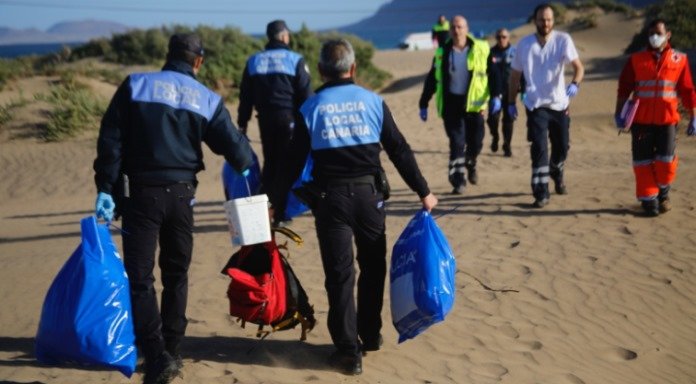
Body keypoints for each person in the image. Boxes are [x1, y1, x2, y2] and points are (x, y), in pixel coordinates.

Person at [93, 33, 253, 384]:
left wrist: (105, 186)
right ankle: (172, 348)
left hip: (141, 196)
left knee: (139, 278)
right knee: (176, 274)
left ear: (168, 56)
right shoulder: (206, 98)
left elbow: (111, 139)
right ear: (198, 61)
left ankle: (155, 353)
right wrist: (244, 162)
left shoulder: (136, 84)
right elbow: (232, 144)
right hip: (182, 198)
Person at [272, 39, 438, 376]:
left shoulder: (311, 108)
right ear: (353, 68)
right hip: (369, 199)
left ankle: (348, 352)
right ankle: (371, 334)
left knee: (340, 275)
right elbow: (399, 149)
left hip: (330, 202)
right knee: (373, 267)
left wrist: (274, 201)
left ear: (320, 70)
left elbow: (291, 161)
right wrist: (424, 191)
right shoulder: (373, 102)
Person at [614, 18, 696, 216]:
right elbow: (624, 88)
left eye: (659, 33)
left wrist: (694, 115)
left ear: (668, 35)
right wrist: (619, 113)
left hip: (667, 121)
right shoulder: (636, 59)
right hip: (641, 122)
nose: (654, 37)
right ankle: (648, 200)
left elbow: (687, 90)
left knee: (666, 162)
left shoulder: (680, 59)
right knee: (642, 162)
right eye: (651, 33)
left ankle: (663, 194)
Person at [237, 19, 313, 226]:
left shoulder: (254, 61)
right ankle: (280, 213)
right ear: (284, 36)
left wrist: (242, 123)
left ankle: (267, 210)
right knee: (287, 165)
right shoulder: (295, 59)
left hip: (265, 121)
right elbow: (306, 95)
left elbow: (245, 96)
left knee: (270, 163)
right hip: (289, 119)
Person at [508, 3, 584, 208]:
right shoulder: (524, 45)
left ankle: (556, 169)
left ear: (553, 21)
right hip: (535, 104)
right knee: (539, 147)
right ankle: (541, 193)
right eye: (542, 19)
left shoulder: (563, 40)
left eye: (549, 19)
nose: (546, 23)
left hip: (560, 104)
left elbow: (578, 67)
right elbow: (515, 76)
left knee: (562, 147)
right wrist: (510, 102)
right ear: (535, 21)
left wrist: (575, 83)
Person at [419, 15, 490, 195]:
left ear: (467, 29)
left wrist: (495, 97)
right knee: (457, 143)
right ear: (450, 30)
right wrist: (423, 102)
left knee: (476, 142)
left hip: (474, 105)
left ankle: (471, 162)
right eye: (454, 27)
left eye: (460, 27)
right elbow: (432, 79)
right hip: (452, 104)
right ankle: (458, 180)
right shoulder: (442, 52)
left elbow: (493, 74)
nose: (457, 31)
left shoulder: (481, 49)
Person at [487, 28, 523, 157]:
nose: (501, 39)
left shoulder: (515, 52)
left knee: (508, 120)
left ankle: (507, 145)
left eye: (504, 37)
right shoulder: (490, 53)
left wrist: (523, 90)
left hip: (510, 92)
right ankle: (495, 137)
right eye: (498, 37)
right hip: (494, 93)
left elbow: (521, 71)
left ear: (508, 38)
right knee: (493, 119)